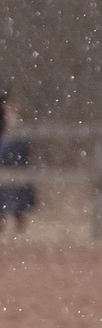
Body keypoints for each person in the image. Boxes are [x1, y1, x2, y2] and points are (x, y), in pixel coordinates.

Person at [0, 95, 33, 235]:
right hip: (5, 173)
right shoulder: (5, 129)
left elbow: (19, 153)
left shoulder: (19, 130)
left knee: (19, 207)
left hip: (16, 172)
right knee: (3, 207)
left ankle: (19, 233)